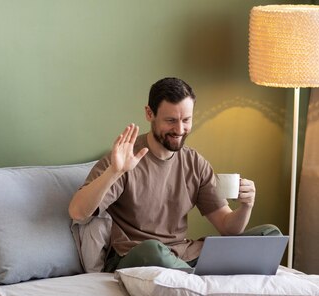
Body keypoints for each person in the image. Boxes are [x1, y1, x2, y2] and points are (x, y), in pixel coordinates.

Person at [68, 77, 281, 272]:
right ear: (149, 114)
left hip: (183, 254)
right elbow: (78, 212)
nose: (180, 129)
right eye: (170, 120)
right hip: (138, 256)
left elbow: (228, 227)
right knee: (153, 250)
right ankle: (202, 278)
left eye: (186, 120)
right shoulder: (124, 159)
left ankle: (193, 276)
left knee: (270, 235)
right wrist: (114, 172)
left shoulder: (195, 163)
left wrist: (246, 206)